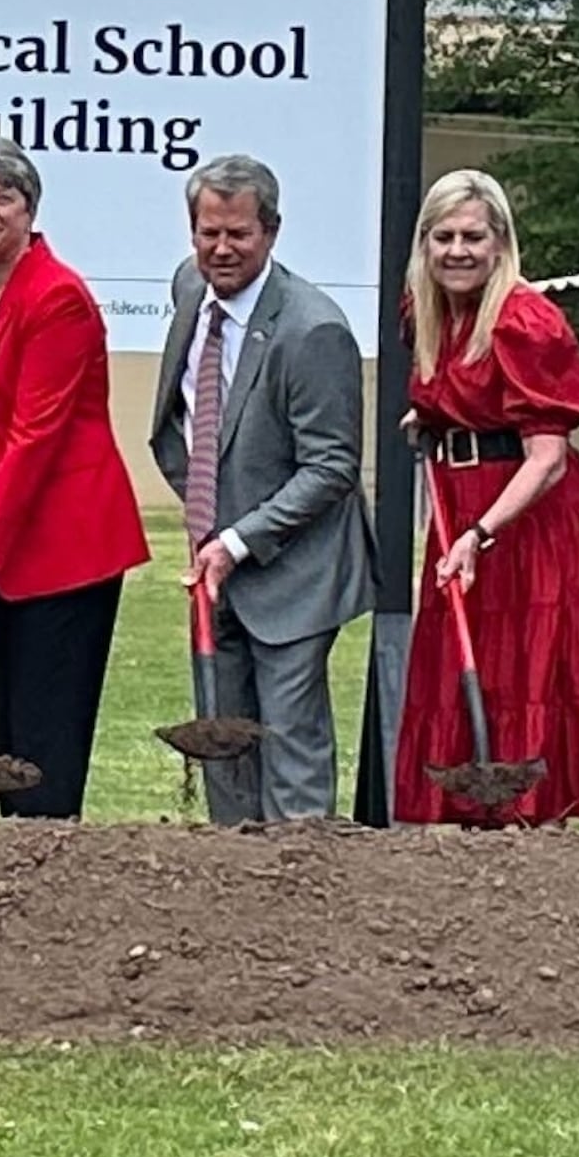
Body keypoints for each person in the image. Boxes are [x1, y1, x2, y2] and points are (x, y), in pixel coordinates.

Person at [389, 169, 579, 827]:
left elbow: (547, 458)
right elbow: (463, 394)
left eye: (473, 236)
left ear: (500, 243)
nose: (457, 251)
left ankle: (532, 825)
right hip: (461, 503)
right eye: (442, 237)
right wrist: (436, 417)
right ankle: (463, 819)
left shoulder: (527, 322)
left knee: (528, 667)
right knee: (463, 663)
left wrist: (481, 533)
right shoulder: (427, 310)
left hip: (529, 518)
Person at [150, 153, 376, 823]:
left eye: (238, 235)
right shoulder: (190, 290)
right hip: (214, 565)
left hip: (295, 577)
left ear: (271, 232)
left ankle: (300, 896)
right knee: (223, 743)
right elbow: (187, 422)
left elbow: (332, 467)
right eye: (208, 233)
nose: (221, 249)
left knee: (289, 748)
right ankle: (234, 894)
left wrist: (241, 541)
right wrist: (208, 528)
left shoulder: (314, 330)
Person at [0, 138, 150, 818]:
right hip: (7, 544)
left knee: (45, 743)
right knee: (11, 735)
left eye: (3, 197)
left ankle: (50, 874)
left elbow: (37, 437)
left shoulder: (57, 298)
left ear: (30, 208)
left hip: (64, 549)